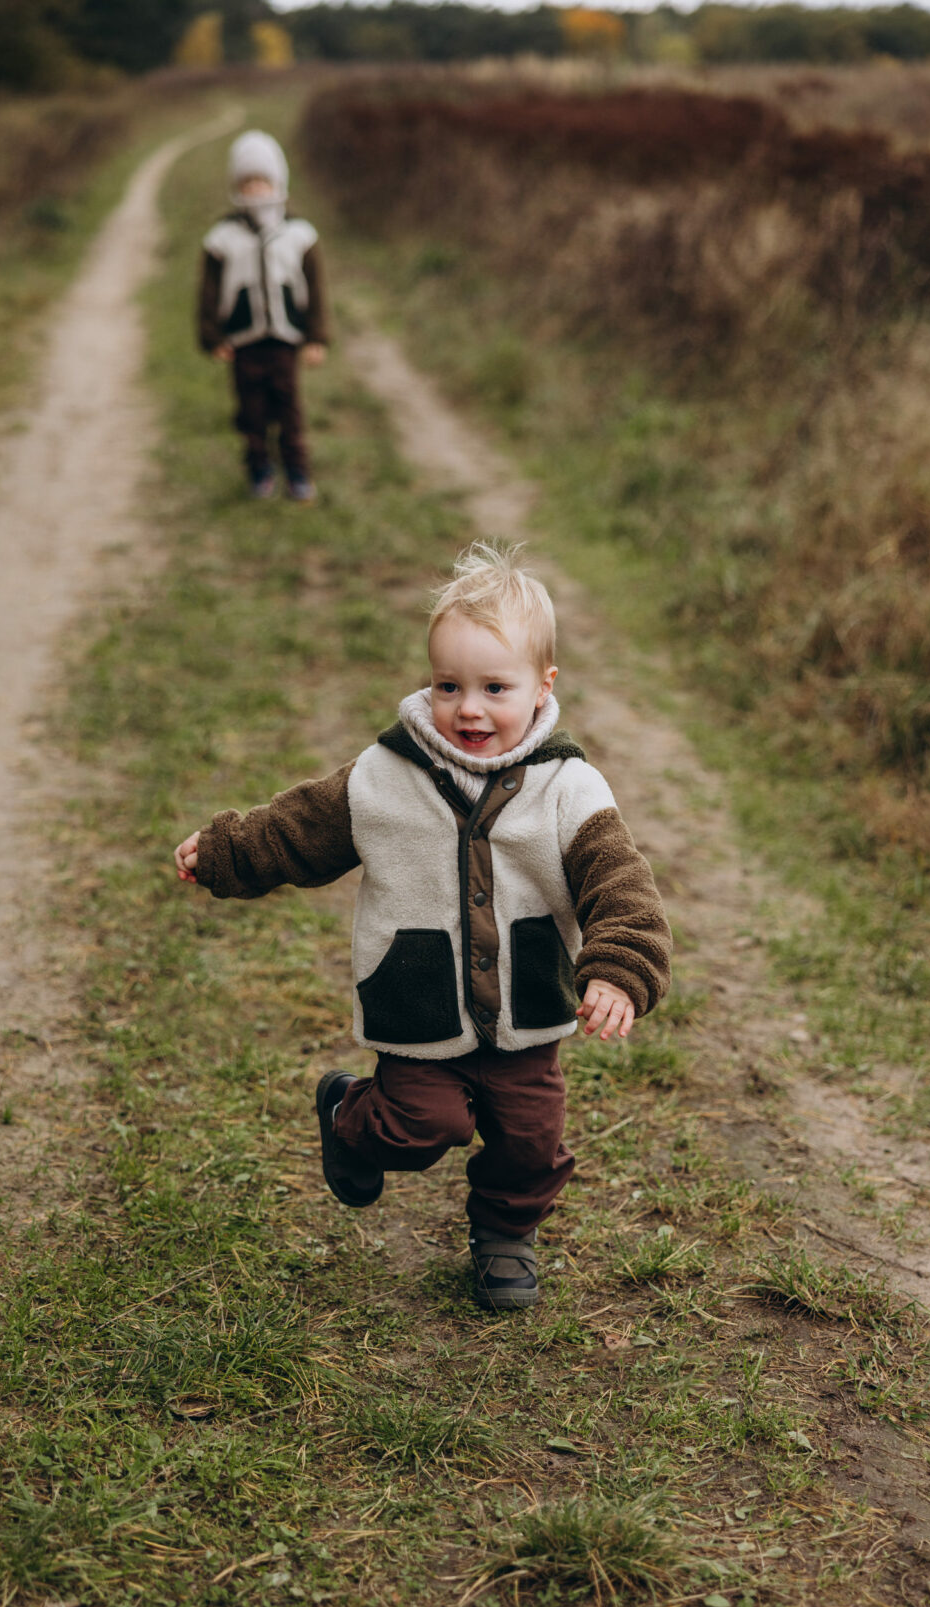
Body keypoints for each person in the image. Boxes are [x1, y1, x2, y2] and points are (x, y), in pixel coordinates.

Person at [174, 544, 672, 1311]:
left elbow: (620, 883)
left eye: (494, 688)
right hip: (419, 1007)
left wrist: (617, 968)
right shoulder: (384, 775)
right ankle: (348, 1115)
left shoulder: (570, 787)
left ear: (544, 687)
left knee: (530, 1140)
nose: (469, 708)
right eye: (449, 686)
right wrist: (229, 851)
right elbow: (299, 829)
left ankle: (506, 1236)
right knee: (419, 1124)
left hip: (527, 1014)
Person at [197, 129, 328, 502]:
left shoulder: (299, 235)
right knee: (250, 411)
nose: (255, 189)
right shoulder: (221, 238)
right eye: (247, 181)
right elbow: (207, 293)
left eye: (262, 180)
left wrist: (316, 337)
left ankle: (298, 472)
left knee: (289, 409)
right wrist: (213, 337)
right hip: (243, 342)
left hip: (285, 341)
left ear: (278, 181)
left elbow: (317, 290)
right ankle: (259, 469)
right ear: (236, 185)